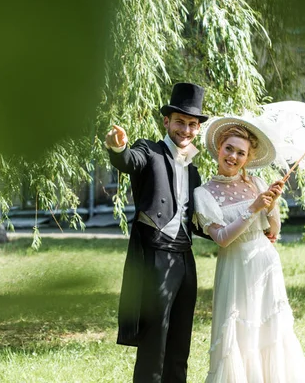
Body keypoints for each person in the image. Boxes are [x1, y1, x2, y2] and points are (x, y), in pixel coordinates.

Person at [194, 115, 305, 382]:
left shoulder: (257, 184)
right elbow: (222, 238)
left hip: (265, 262)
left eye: (240, 153)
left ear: (248, 158)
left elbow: (273, 232)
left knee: (270, 331)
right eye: (229, 149)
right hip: (235, 265)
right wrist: (253, 208)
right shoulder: (204, 193)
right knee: (239, 333)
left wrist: (271, 206)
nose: (233, 157)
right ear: (219, 148)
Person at [105, 82, 209, 383]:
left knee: (180, 343)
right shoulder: (148, 151)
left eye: (192, 124)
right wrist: (118, 146)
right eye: (180, 122)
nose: (186, 130)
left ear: (198, 128)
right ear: (167, 122)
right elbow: (128, 160)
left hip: (185, 260)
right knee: (154, 342)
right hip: (156, 255)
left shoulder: (193, 170)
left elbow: (201, 217)